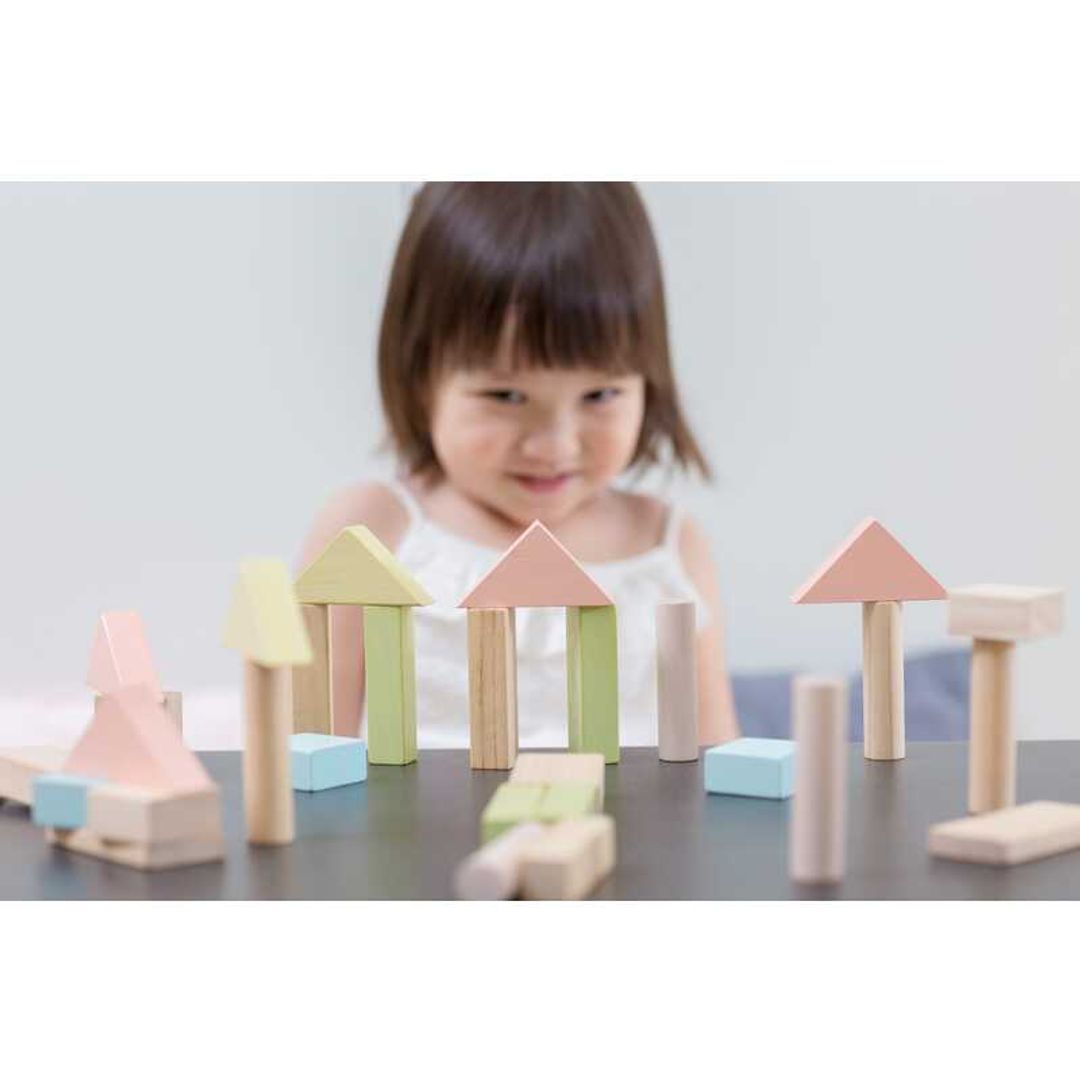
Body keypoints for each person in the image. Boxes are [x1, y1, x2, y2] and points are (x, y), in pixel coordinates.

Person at [299, 182, 739, 749]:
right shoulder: (371, 532)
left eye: (600, 395)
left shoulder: (666, 547)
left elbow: (720, 756)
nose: (554, 445)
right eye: (505, 397)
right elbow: (306, 751)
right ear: (419, 373)